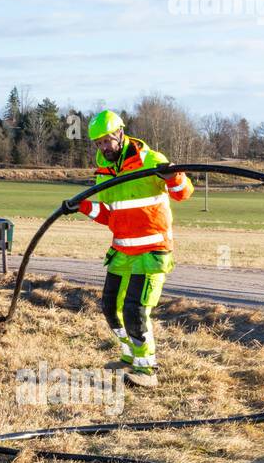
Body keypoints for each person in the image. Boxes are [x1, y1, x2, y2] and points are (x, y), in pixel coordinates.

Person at [68, 110, 194, 387]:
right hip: (122, 251)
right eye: (98, 143)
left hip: (152, 252)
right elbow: (111, 215)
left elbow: (183, 193)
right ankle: (129, 356)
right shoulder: (103, 171)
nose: (103, 147)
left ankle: (147, 370)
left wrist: (173, 177)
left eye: (107, 141)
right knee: (111, 307)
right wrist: (83, 207)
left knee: (135, 309)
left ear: (120, 134)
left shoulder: (151, 160)